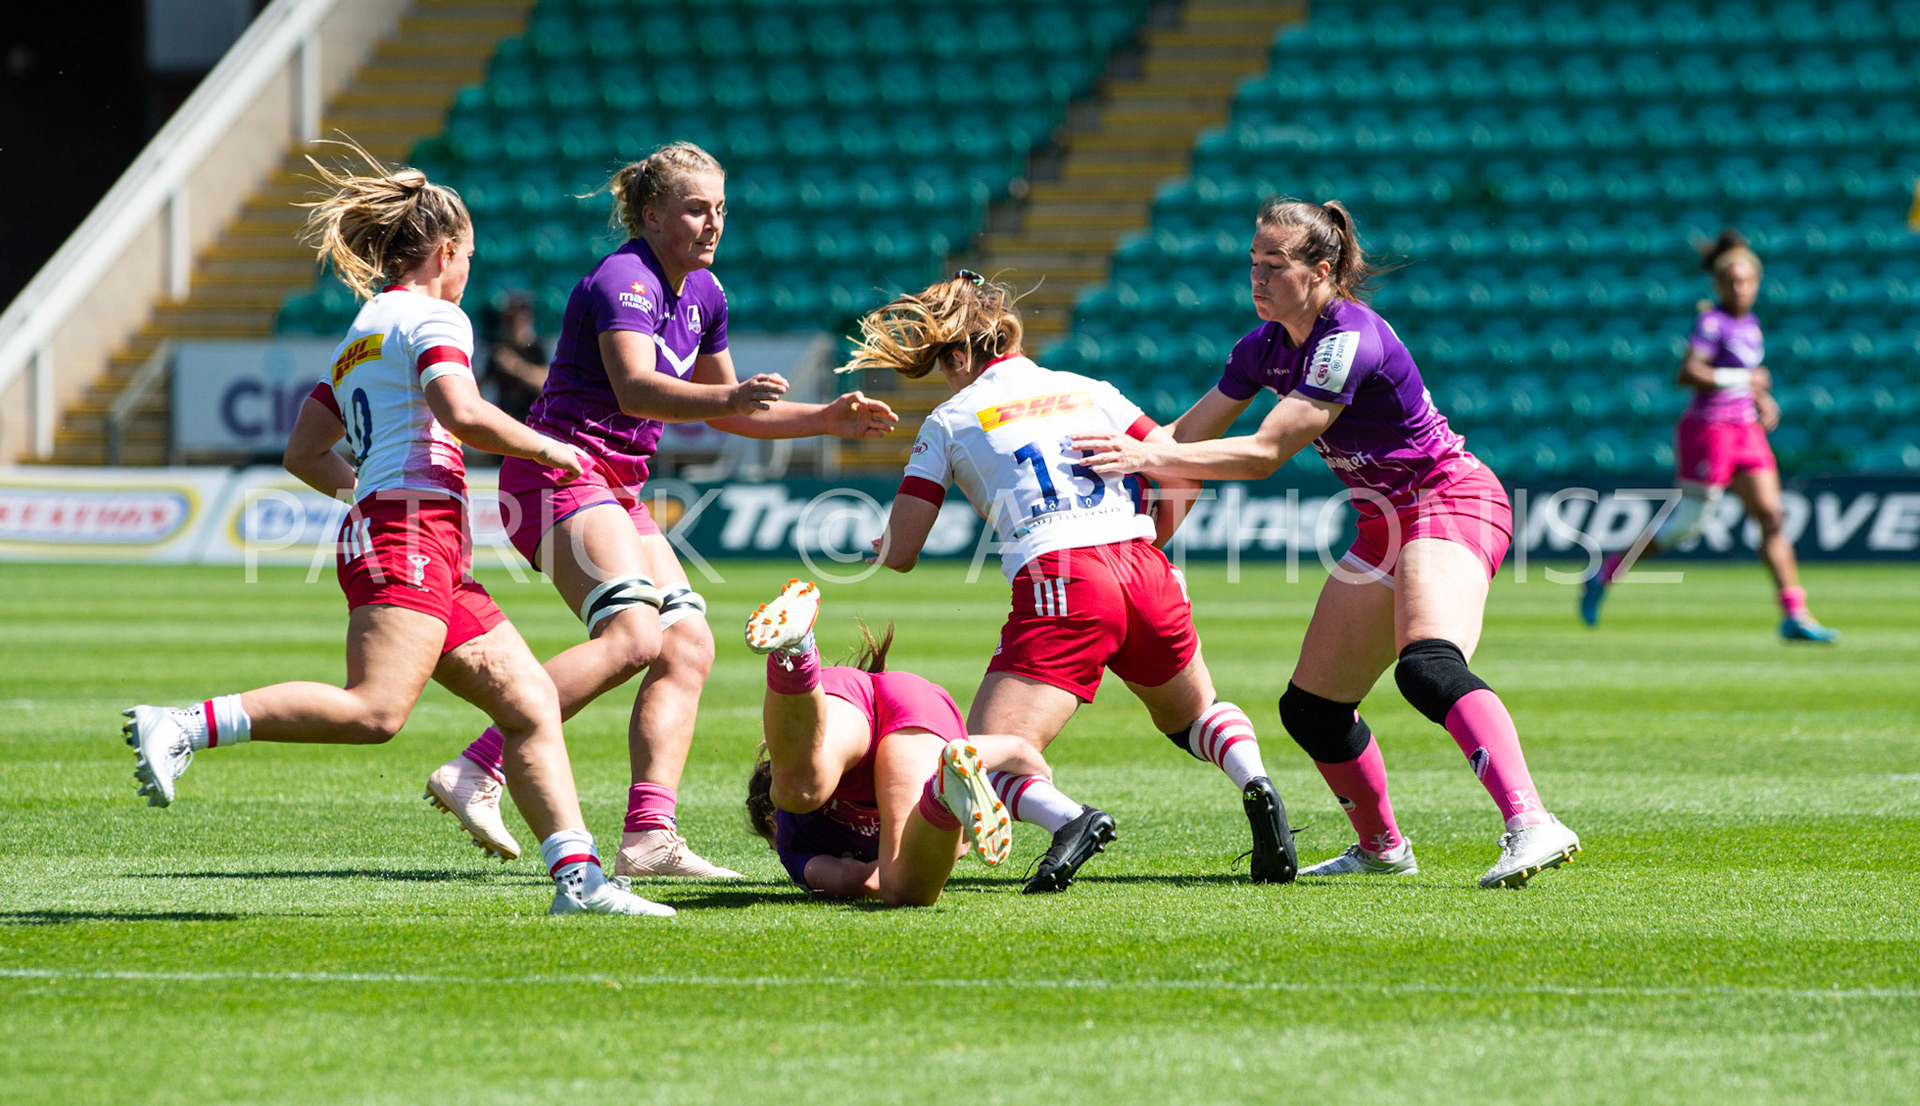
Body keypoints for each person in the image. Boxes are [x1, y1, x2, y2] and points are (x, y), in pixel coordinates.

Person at [120, 146, 670, 917]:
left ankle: (579, 882)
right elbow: (462, 413)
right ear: (447, 253)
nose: (469, 271)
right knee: (376, 711)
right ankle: (183, 724)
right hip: (411, 535)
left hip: (414, 532)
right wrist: (551, 446)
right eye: (469, 257)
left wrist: (369, 490)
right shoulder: (434, 314)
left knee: (530, 702)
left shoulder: (362, 331)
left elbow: (302, 451)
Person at [1073, 198, 1581, 889]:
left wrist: (1144, 460)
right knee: (1312, 709)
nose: (1257, 277)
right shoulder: (1261, 348)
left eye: (1273, 265)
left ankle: (1532, 822)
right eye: (1252, 263)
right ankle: (1382, 848)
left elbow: (1263, 453)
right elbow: (1179, 441)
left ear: (1321, 270)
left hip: (1449, 500)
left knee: (1428, 666)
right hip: (1385, 522)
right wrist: (1108, 460)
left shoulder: (1348, 337)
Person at [421, 142, 899, 875]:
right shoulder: (624, 278)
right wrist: (728, 398)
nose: (714, 224)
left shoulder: (706, 294)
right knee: (633, 637)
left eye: (721, 210)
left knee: (686, 645)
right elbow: (637, 388)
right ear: (651, 215)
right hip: (555, 475)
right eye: (697, 209)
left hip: (613, 486)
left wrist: (826, 417)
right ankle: (478, 765)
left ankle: (648, 836)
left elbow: (734, 412)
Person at [854, 272, 1298, 889]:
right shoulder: (1091, 389)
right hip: (1143, 563)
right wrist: (1146, 543)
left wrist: (880, 546)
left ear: (961, 354)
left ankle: (1070, 821)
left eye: (945, 364)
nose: (946, 377)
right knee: (1194, 716)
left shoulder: (949, 419)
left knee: (981, 752)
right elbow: (1181, 473)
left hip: (1062, 576)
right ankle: (1256, 781)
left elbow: (902, 554)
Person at [1580, 230, 1839, 642]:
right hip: (1709, 430)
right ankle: (1606, 572)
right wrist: (1746, 378)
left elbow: (1743, 377)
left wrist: (1762, 398)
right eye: (1732, 282)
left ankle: (1795, 613)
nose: (1740, 288)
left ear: (1757, 283)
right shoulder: (1711, 322)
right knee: (1687, 526)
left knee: (1772, 516)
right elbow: (1688, 373)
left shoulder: (1750, 324)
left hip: (1745, 430)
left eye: (1747, 281)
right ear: (1719, 285)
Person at [740, 581, 1052, 905]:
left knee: (900, 886)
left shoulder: (792, 842)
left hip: (859, 708)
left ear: (770, 821)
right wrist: (1044, 780)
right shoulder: (813, 777)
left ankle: (941, 796)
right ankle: (797, 650)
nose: (774, 848)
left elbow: (859, 880)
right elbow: (1009, 750)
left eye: (769, 842)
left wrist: (912, 858)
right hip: (883, 697)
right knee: (801, 784)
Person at [482, 292, 546, 425]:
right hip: (505, 420)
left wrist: (515, 366)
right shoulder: (499, 348)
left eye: (513, 320)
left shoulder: (537, 348)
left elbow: (546, 384)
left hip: (531, 420)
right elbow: (480, 385)